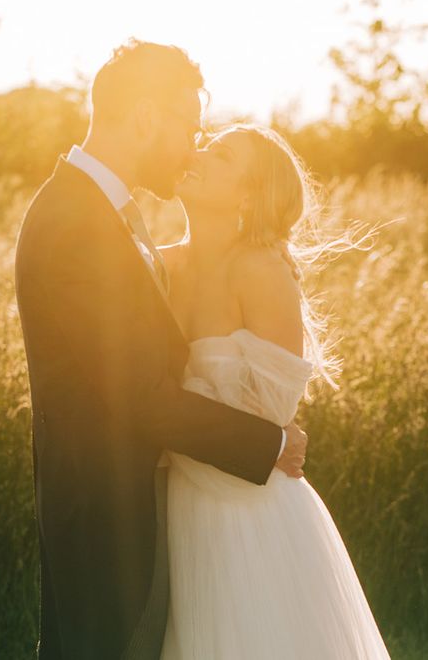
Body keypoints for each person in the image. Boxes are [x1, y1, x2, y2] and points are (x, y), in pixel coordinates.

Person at [14, 40, 308, 659]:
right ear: (147, 118)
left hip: (135, 506)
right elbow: (141, 394)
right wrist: (271, 444)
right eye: (188, 127)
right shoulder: (76, 220)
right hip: (104, 513)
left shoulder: (106, 210)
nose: (191, 148)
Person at [159, 124, 392, 659]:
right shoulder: (159, 264)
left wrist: (168, 410)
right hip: (171, 499)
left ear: (247, 194)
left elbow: (270, 413)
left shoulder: (260, 272)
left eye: (221, 157)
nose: (197, 153)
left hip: (247, 505)